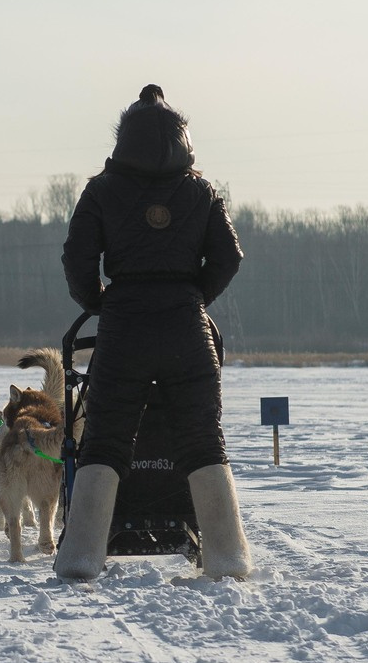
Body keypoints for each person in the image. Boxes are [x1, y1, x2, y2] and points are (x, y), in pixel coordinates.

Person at [52, 85, 251, 581]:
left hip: (124, 326)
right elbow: (229, 257)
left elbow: (76, 258)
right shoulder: (200, 191)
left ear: (124, 139)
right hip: (187, 327)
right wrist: (193, 297)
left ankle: (80, 557)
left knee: (104, 440)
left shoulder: (101, 190)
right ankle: (228, 558)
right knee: (204, 440)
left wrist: (100, 301)